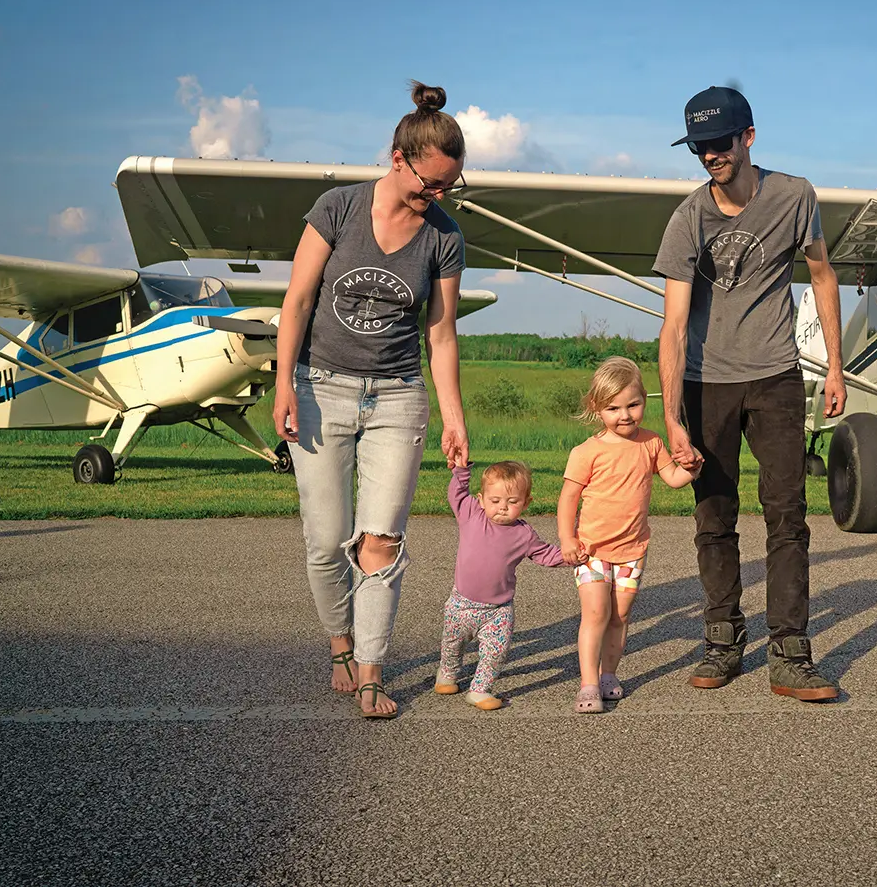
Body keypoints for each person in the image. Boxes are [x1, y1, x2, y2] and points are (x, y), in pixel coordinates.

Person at [273, 81, 469, 720]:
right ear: (397, 158)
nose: (436, 197)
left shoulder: (444, 235)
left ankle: (371, 674)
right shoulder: (337, 209)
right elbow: (297, 302)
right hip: (320, 388)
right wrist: (282, 386)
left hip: (398, 398)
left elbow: (440, 334)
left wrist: (453, 417)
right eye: (429, 184)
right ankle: (339, 645)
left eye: (448, 187)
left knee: (380, 541)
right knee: (328, 540)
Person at [653, 85, 848, 701]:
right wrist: (672, 418)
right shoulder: (689, 218)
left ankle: (791, 653)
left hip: (775, 376)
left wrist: (835, 367)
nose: (710, 155)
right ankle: (722, 640)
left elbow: (821, 273)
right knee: (714, 517)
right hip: (706, 384)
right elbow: (675, 324)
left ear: (749, 137)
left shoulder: (795, 196)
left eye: (720, 143)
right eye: (700, 147)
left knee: (786, 515)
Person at [559, 357, 701, 713]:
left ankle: (610, 674)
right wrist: (567, 539)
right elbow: (568, 499)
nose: (624, 415)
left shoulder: (651, 443)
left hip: (633, 551)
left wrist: (693, 468)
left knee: (620, 617)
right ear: (597, 408)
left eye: (633, 405)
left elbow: (672, 479)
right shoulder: (587, 451)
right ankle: (588, 684)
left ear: (644, 402)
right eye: (613, 408)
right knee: (596, 614)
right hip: (591, 550)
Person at [434, 459, 568, 711]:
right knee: (452, 645)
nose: (502, 508)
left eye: (512, 502)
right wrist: (461, 472)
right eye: (495, 501)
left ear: (526, 503)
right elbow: (457, 494)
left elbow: (545, 554)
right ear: (482, 499)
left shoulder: (523, 534)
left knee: (496, 651)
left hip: (497, 609)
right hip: (461, 604)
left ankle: (479, 689)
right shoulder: (472, 514)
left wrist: (572, 555)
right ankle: (447, 674)